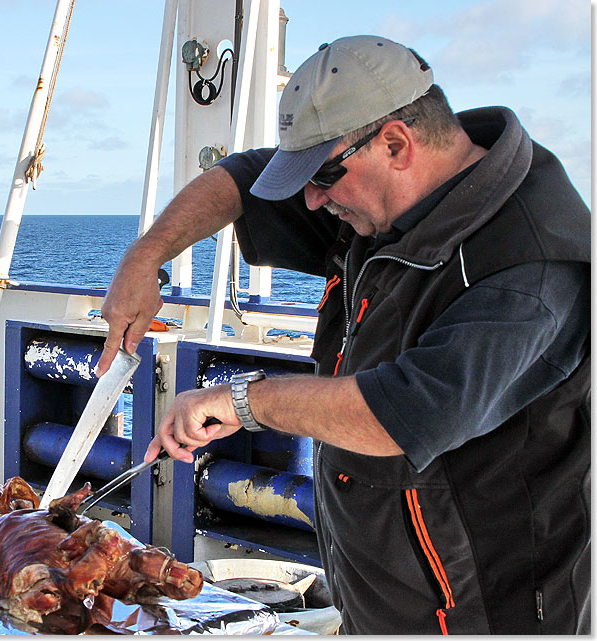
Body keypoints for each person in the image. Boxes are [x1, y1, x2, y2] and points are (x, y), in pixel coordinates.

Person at [98, 36, 590, 634]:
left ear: (395, 143)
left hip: (483, 611)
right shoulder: (388, 196)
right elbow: (241, 179)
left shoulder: (529, 267)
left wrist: (241, 401)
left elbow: (406, 412)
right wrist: (144, 258)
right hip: (377, 600)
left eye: (325, 175)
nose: (312, 200)